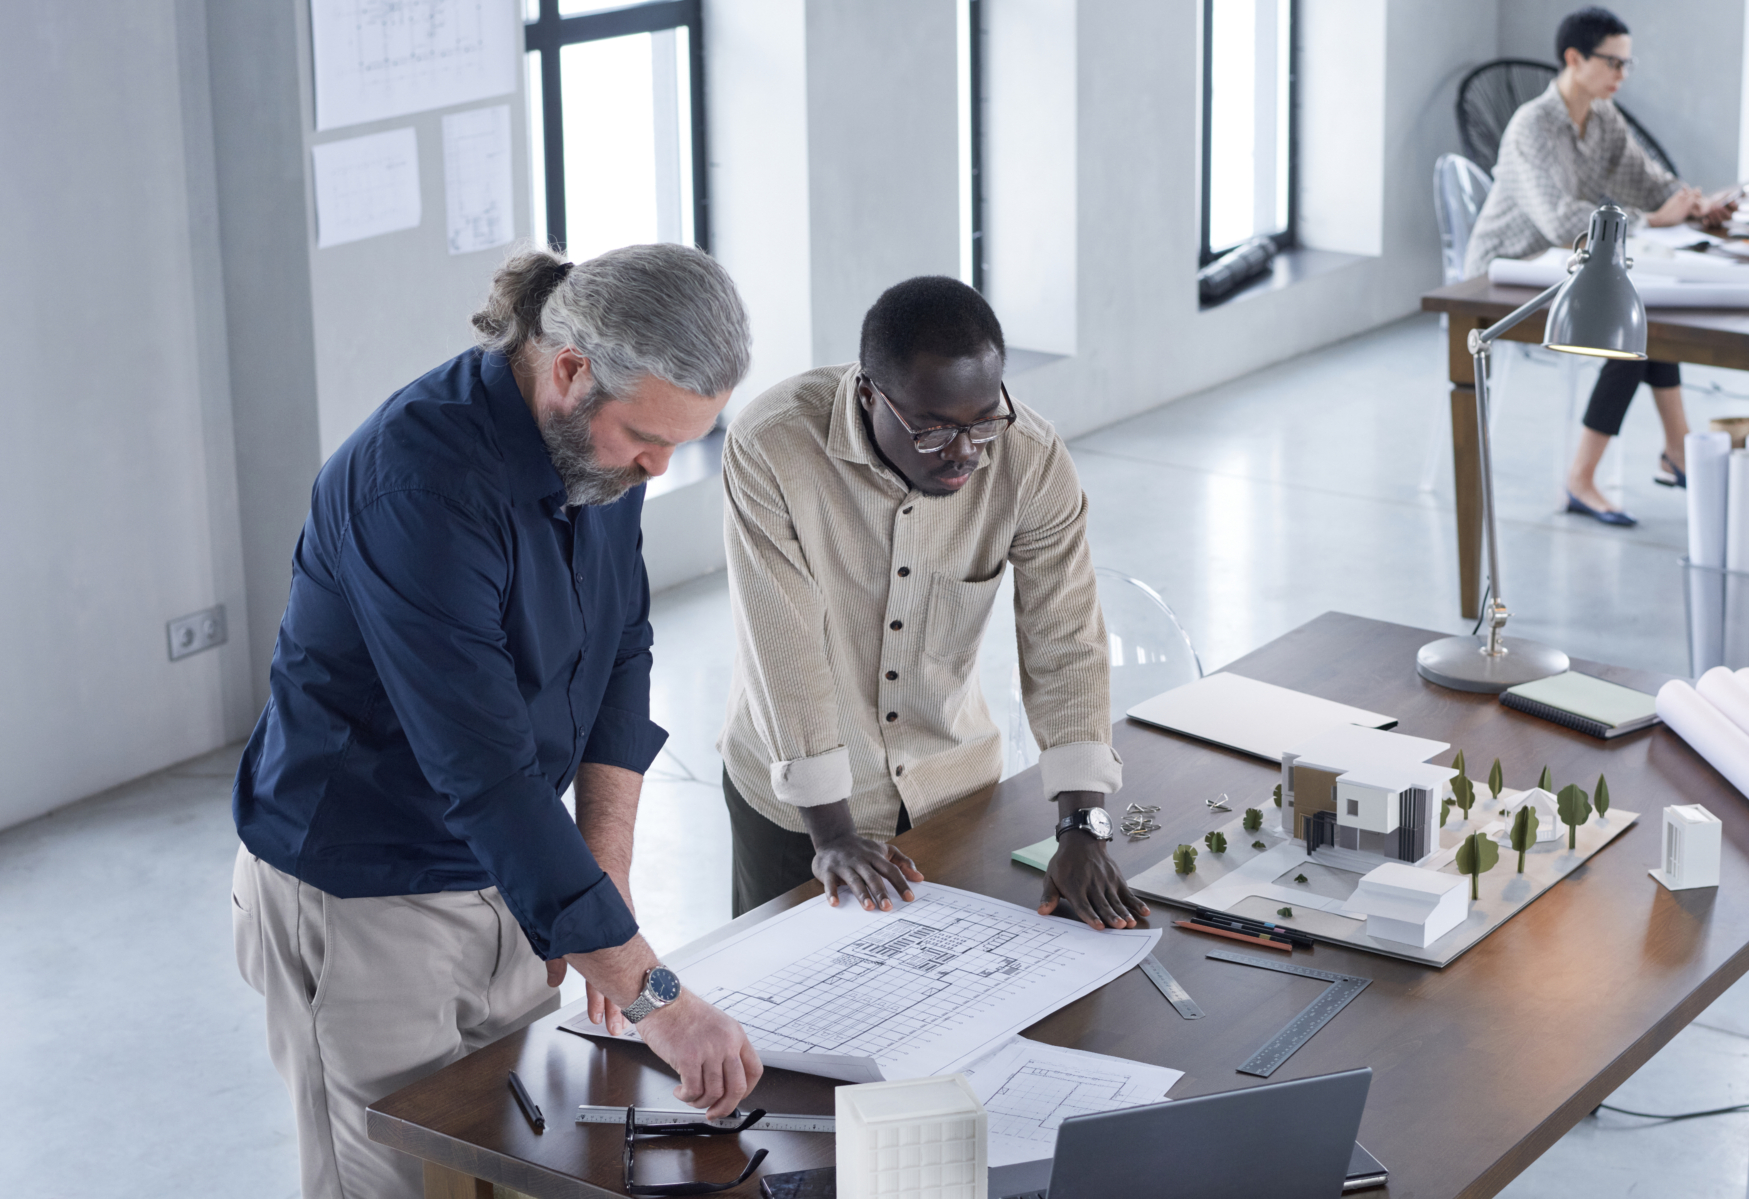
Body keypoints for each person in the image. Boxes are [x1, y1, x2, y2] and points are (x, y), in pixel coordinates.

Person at [230, 245, 761, 1199]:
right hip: (366, 896)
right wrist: (658, 997)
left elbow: (621, 648)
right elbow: (484, 773)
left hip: (515, 872)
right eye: (647, 436)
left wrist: (605, 873)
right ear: (567, 369)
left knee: (518, 1165)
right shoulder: (417, 488)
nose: (659, 465)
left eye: (686, 440)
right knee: (396, 1180)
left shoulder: (600, 459)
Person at [718, 276, 1146, 932]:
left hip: (953, 789)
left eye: (984, 423)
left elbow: (1065, 638)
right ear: (869, 394)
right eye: (933, 430)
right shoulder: (772, 446)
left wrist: (1081, 827)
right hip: (799, 807)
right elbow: (785, 651)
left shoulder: (1029, 458)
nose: (965, 453)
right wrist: (830, 836)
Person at [1464, 5, 1735, 525]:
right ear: (1574, 58)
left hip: (1563, 267)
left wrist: (1692, 203)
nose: (1621, 75)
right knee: (1627, 326)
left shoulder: (1602, 116)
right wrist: (1652, 221)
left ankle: (1671, 451)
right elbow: (1561, 220)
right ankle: (1591, 477)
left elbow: (1646, 179)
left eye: (1627, 64)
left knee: (1645, 318)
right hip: (1504, 276)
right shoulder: (1532, 126)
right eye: (1613, 63)